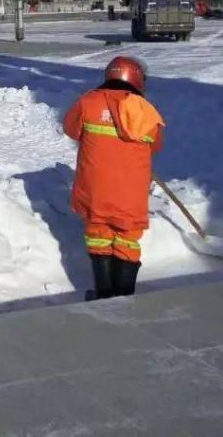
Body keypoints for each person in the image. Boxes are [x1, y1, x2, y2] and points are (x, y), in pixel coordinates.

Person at [62, 56, 164, 300]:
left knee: (99, 235)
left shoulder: (88, 102)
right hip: (130, 194)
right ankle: (125, 296)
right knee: (127, 240)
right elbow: (155, 145)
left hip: (95, 189)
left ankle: (103, 295)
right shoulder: (146, 112)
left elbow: (70, 128)